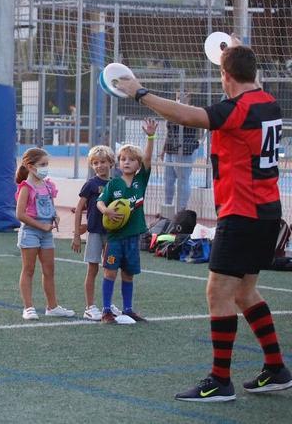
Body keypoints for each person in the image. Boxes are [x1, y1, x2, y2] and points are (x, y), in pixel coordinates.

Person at [118, 42, 291, 401]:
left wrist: (139, 92)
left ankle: (220, 381)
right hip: (266, 212)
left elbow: (186, 116)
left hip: (242, 214)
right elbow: (243, 76)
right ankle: (276, 368)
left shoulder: (236, 110)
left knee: (217, 293)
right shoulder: (268, 102)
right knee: (244, 292)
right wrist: (235, 50)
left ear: (225, 75)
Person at [96, 119, 157, 326]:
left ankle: (128, 309)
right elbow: (100, 202)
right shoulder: (113, 184)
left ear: (138, 164)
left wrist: (151, 137)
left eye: (131, 159)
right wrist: (107, 210)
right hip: (115, 238)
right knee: (110, 272)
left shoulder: (141, 180)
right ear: (119, 163)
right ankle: (106, 311)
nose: (127, 162)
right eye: (123, 159)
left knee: (128, 274)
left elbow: (148, 158)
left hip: (133, 237)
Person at [15, 147, 75, 321]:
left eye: (46, 164)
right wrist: (41, 225)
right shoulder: (26, 187)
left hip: (46, 234)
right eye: (42, 164)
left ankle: (52, 306)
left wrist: (55, 216)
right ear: (30, 166)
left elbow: (50, 206)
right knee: (29, 269)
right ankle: (28, 308)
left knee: (49, 270)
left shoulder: (48, 185)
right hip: (30, 232)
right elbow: (20, 214)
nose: (45, 168)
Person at [72, 145, 120, 321]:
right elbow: (79, 209)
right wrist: (77, 235)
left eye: (103, 162)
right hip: (94, 233)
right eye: (95, 163)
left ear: (111, 163)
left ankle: (108, 304)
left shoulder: (116, 185)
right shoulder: (91, 184)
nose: (99, 166)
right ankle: (90, 307)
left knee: (110, 270)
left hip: (112, 234)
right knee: (92, 269)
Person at [162, 92, 201, 212]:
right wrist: (163, 149)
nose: (179, 99)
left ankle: (181, 209)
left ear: (188, 98)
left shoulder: (193, 111)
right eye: (177, 97)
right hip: (170, 148)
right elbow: (168, 131)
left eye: (182, 97)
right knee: (168, 179)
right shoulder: (172, 111)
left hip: (185, 150)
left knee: (183, 179)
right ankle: (167, 207)